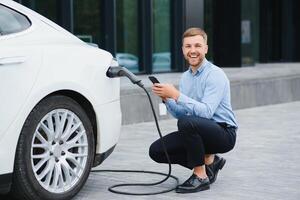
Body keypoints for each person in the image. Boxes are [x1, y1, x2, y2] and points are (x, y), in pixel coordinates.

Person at [149, 27, 238, 193]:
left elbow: (206, 113)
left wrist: (177, 94)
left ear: (205, 48)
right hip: (198, 131)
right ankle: (211, 163)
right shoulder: (186, 77)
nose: (193, 50)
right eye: (188, 46)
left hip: (224, 132)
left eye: (197, 45)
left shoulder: (215, 75)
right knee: (156, 151)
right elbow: (182, 114)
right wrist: (168, 99)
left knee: (187, 123)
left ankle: (200, 177)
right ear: (183, 50)